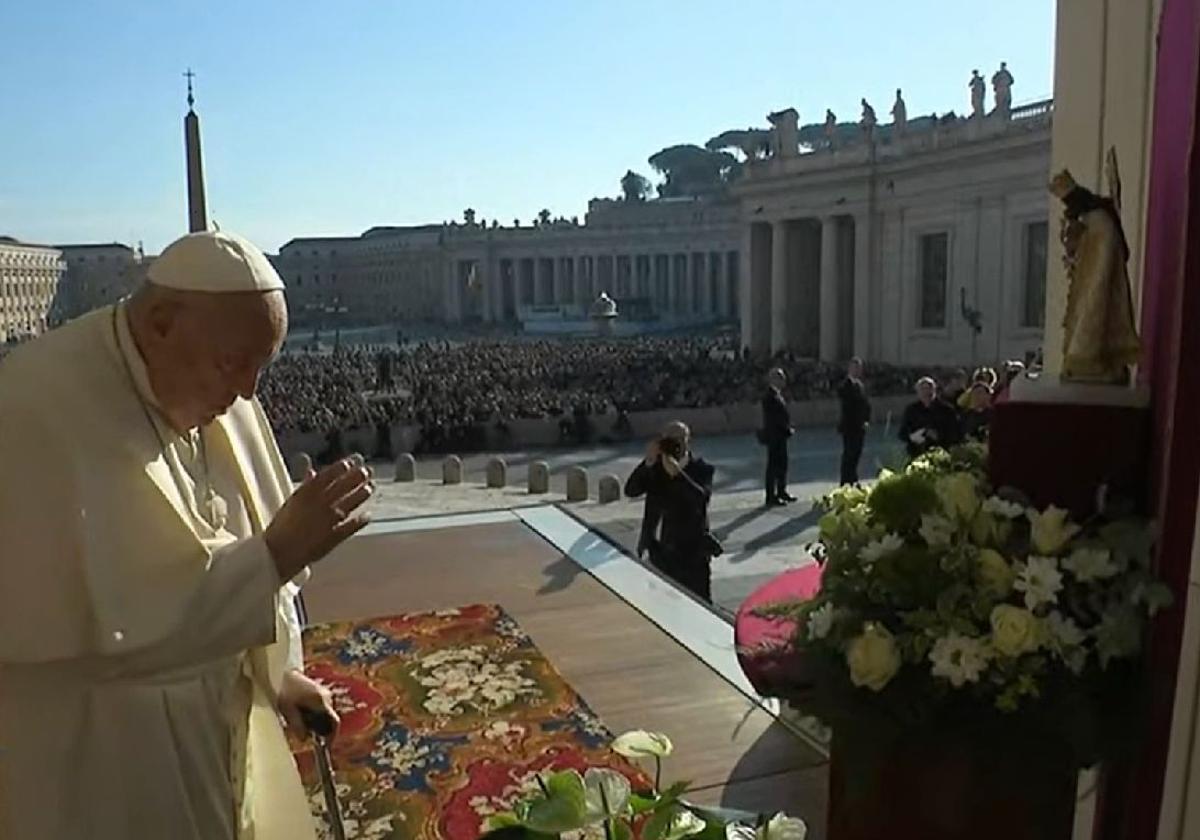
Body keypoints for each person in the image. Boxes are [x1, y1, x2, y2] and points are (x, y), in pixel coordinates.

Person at [0, 230, 375, 839]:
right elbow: (118, 629)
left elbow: (227, 543)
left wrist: (279, 674)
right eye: (236, 365)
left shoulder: (223, 388)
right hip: (107, 757)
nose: (248, 393)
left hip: (212, 724)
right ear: (162, 322)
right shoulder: (34, 404)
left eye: (263, 367)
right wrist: (277, 554)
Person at [624, 421, 717, 602]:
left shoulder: (702, 469)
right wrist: (648, 462)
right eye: (670, 439)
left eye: (679, 439)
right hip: (661, 551)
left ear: (688, 441)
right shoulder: (655, 468)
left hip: (693, 553)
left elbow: (700, 499)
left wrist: (677, 474)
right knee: (662, 605)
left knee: (700, 605)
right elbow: (631, 490)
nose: (675, 444)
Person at [898, 376, 961, 458]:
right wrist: (913, 436)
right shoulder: (911, 410)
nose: (926, 392)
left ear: (934, 390)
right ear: (918, 392)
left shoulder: (947, 410)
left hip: (941, 453)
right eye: (923, 389)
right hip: (916, 454)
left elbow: (956, 433)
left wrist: (938, 435)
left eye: (928, 389)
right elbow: (902, 434)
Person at [760, 368, 795, 506]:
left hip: (780, 436)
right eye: (780, 378)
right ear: (773, 379)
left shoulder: (778, 395)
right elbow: (775, 418)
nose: (783, 381)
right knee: (773, 466)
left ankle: (781, 491)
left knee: (782, 465)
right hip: (775, 436)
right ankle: (771, 496)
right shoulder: (769, 396)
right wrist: (786, 428)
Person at [837, 357, 872, 485]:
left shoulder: (860, 385)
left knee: (856, 455)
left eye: (859, 368)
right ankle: (845, 482)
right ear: (850, 369)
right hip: (850, 427)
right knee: (848, 456)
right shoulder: (845, 385)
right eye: (855, 367)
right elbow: (849, 406)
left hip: (860, 427)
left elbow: (866, 405)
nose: (858, 370)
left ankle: (853, 479)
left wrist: (866, 420)